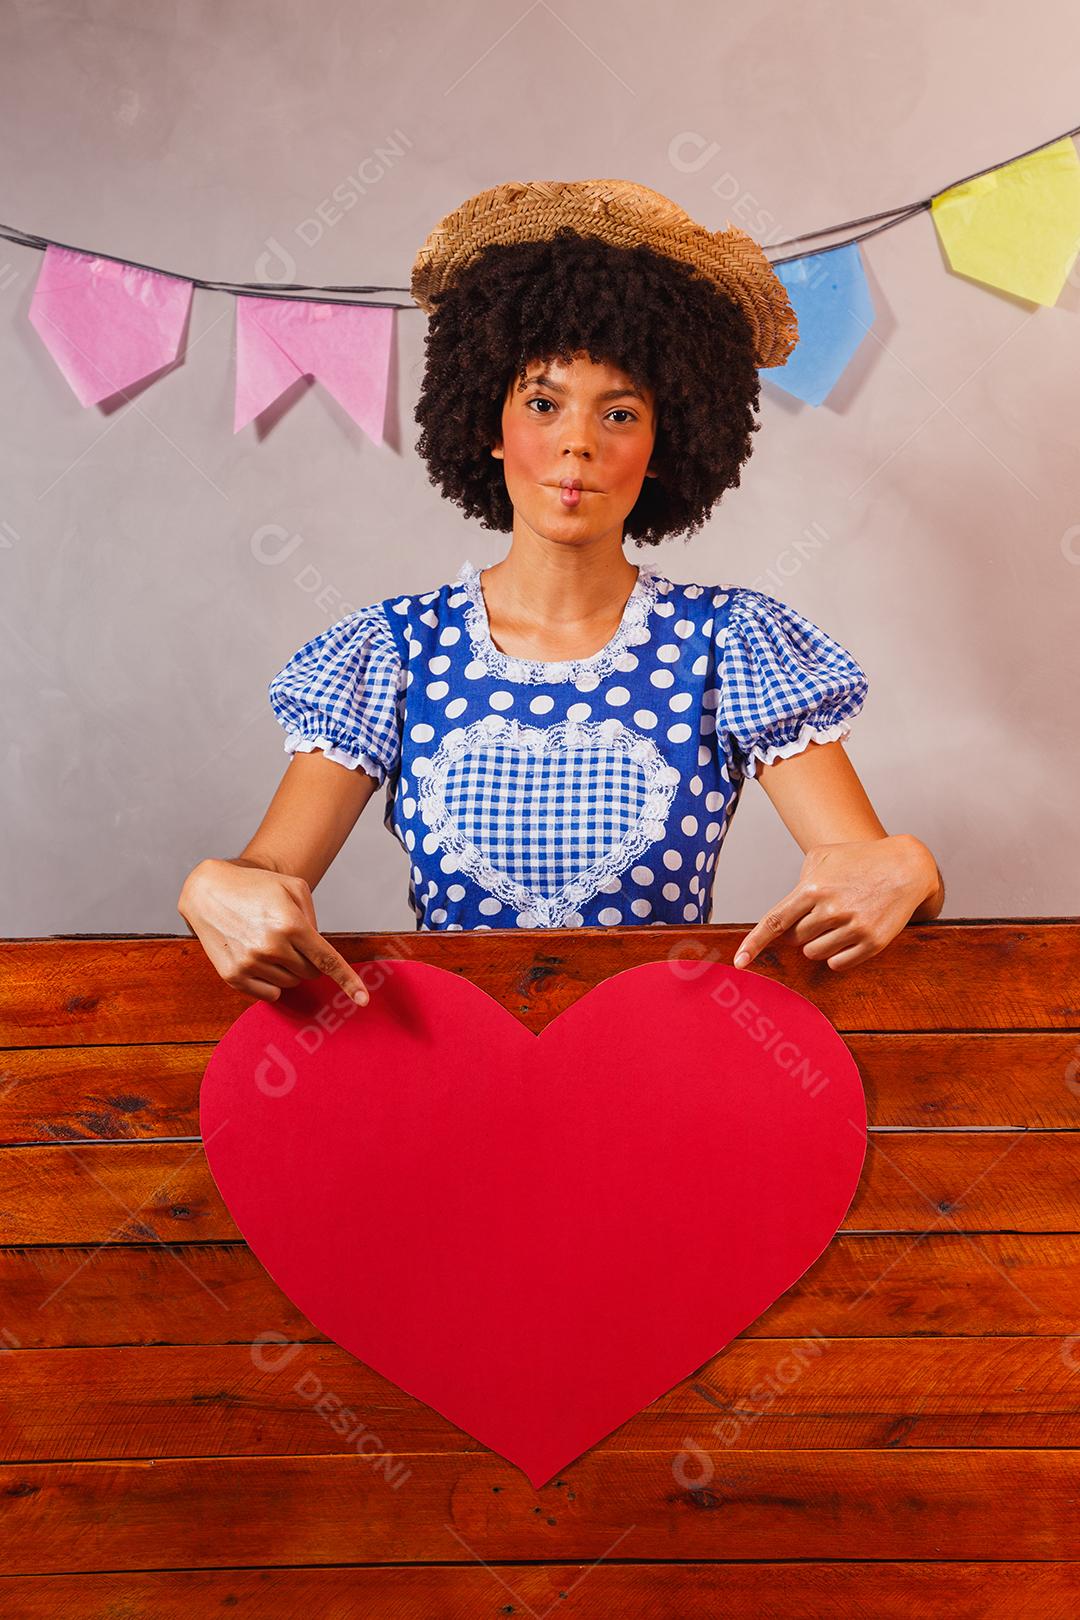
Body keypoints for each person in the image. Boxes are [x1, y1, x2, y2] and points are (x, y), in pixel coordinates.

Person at [178, 179, 944, 1005]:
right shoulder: (393, 650)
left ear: (663, 446)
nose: (577, 442)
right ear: (488, 425)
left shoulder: (730, 642)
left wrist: (912, 869)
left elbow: (865, 867)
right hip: (456, 1079)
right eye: (543, 403)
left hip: (660, 1074)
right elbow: (266, 872)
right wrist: (220, 885)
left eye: (619, 414)